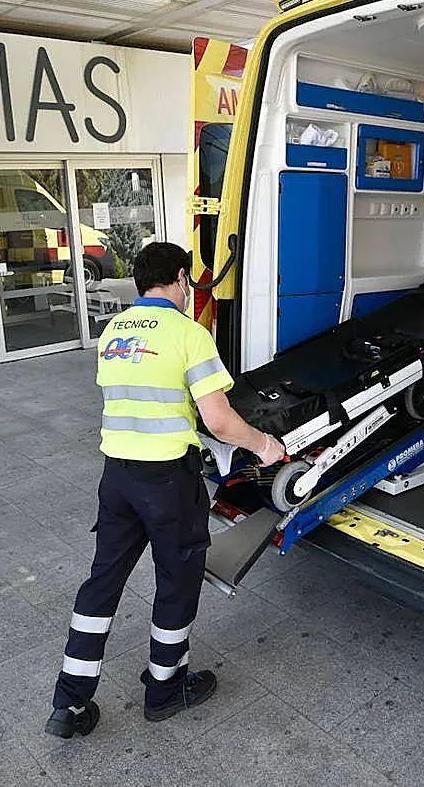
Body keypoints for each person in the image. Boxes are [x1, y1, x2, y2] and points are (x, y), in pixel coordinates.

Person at [46, 241, 285, 739]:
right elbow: (219, 420)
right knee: (176, 581)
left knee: (101, 582)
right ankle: (164, 687)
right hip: (168, 483)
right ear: (179, 277)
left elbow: (136, 399)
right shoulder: (187, 333)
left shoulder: (111, 331)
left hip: (116, 478)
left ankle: (69, 703)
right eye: (188, 281)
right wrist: (264, 445)